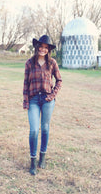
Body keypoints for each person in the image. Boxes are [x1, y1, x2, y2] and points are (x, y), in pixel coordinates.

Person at [23, 35, 62, 175]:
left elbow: (59, 80)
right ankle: (33, 161)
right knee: (34, 130)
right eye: (41, 46)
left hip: (47, 99)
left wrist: (52, 95)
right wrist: (26, 100)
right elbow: (26, 84)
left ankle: (42, 157)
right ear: (37, 47)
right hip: (33, 99)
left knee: (45, 128)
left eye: (46, 48)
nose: (43, 49)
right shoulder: (29, 63)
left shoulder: (52, 63)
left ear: (48, 50)